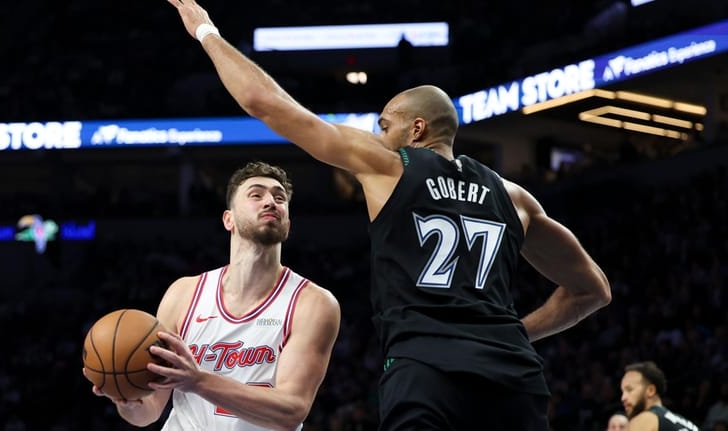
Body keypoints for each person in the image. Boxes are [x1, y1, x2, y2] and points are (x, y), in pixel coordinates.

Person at [165, 2, 612, 429]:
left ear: (415, 129)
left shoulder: (390, 165)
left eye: (384, 124)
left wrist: (206, 31)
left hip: (427, 369)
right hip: (515, 378)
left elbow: (266, 103)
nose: (377, 134)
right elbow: (593, 290)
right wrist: (514, 334)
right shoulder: (515, 196)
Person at [85, 161, 341, 430]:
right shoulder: (183, 294)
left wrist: (198, 381)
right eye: (256, 194)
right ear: (228, 219)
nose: (270, 202)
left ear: (287, 225)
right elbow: (149, 411)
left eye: (279, 198)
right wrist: (125, 397)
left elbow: (291, 410)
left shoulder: (313, 303)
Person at [620, 361, 700, 431]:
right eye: (622, 392)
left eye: (629, 390)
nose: (623, 398)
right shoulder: (689, 425)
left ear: (651, 390)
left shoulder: (645, 419)